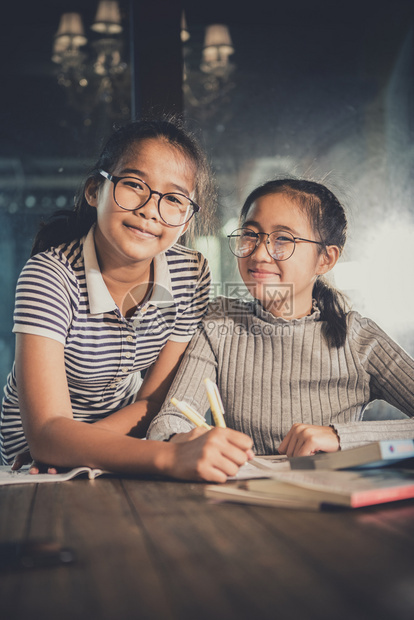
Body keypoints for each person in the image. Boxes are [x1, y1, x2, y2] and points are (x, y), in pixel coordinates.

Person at [0, 117, 253, 482]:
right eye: (135, 185)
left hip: (116, 442)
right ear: (94, 191)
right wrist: (169, 456)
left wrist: (73, 448)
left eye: (174, 199)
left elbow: (152, 402)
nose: (151, 209)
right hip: (29, 459)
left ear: (185, 220)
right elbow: (47, 431)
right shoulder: (49, 276)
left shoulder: (191, 273)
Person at [147, 179, 414, 455]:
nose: (260, 254)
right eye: (250, 235)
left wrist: (341, 436)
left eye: (283, 239)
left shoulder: (359, 340)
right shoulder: (220, 322)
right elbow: (169, 420)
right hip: (242, 493)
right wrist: (181, 442)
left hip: (332, 493)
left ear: (326, 259)